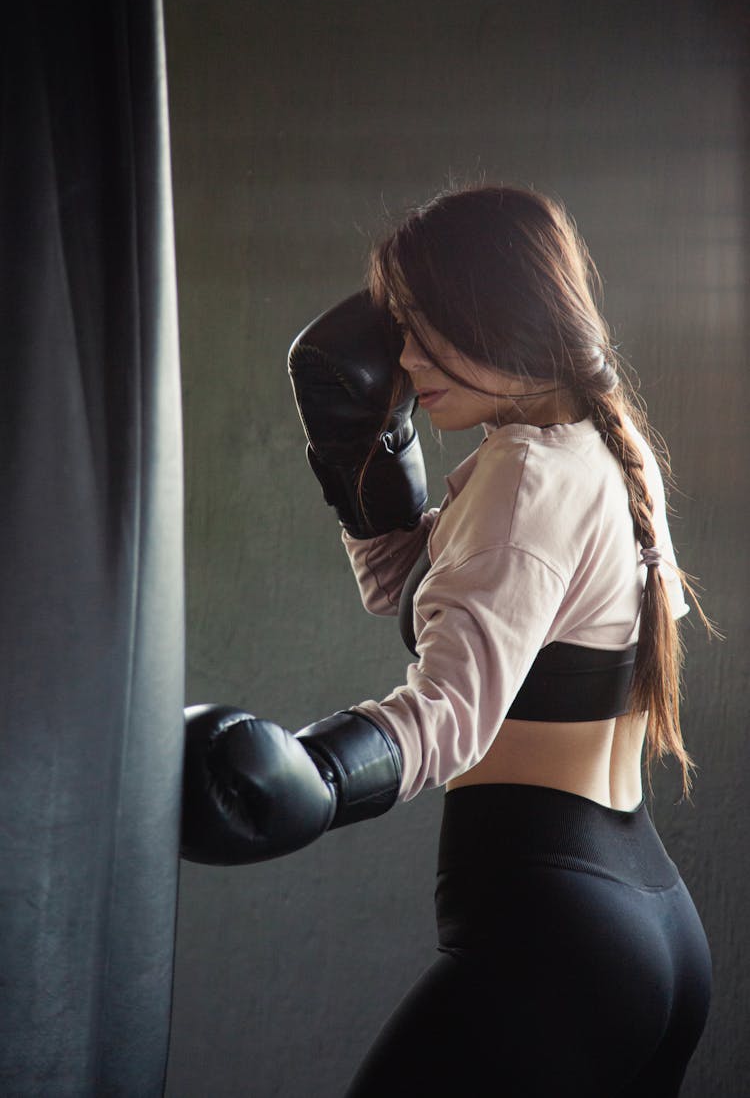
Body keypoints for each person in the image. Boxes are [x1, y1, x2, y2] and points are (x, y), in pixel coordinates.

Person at [181, 186, 714, 1096]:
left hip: (558, 938)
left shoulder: (523, 477)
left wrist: (316, 774)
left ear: (503, 317)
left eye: (429, 329)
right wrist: (366, 453)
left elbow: (452, 714)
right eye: (400, 330)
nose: (404, 357)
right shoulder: (600, 438)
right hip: (647, 921)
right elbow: (415, 587)